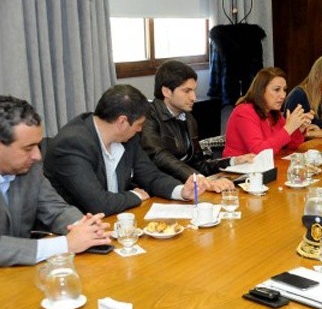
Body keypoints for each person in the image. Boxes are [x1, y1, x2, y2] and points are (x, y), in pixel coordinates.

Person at [0, 95, 110, 268]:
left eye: (37, 145)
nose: (37, 156)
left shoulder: (27, 166)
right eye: (28, 148)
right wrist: (66, 244)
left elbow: (56, 210)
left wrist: (84, 227)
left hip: (16, 274)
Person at [44, 84, 206, 216]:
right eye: (139, 125)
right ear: (122, 122)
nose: (140, 130)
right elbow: (98, 204)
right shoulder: (72, 144)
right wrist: (135, 195)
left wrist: (182, 192)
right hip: (81, 232)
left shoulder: (128, 138)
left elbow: (151, 176)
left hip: (119, 221)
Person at [140, 60, 254, 193]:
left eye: (194, 90)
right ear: (167, 92)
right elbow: (160, 156)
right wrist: (200, 179)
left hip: (187, 188)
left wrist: (233, 161)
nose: (193, 97)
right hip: (159, 191)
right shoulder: (147, 117)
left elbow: (200, 165)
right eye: (187, 91)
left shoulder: (189, 119)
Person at [222, 67, 314, 157]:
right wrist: (288, 128)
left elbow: (292, 146)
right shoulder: (243, 112)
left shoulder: (273, 112)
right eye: (277, 89)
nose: (283, 95)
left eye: (284, 90)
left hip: (263, 167)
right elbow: (259, 152)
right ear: (261, 91)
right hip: (238, 169)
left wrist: (299, 129)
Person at [284, 54, 322, 139]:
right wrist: (321, 132)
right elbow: (289, 132)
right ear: (317, 75)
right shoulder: (299, 95)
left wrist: (318, 131)